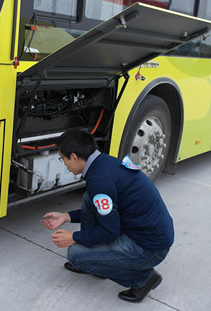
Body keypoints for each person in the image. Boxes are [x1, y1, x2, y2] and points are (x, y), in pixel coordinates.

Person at [41, 129, 174, 303]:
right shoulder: (104, 164)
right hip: (147, 234)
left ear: (74, 156)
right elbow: (104, 209)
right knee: (90, 197)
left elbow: (110, 231)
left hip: (149, 249)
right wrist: (66, 216)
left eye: (63, 159)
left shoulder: (99, 180)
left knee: (75, 255)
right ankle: (97, 261)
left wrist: (74, 237)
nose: (64, 164)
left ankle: (144, 279)